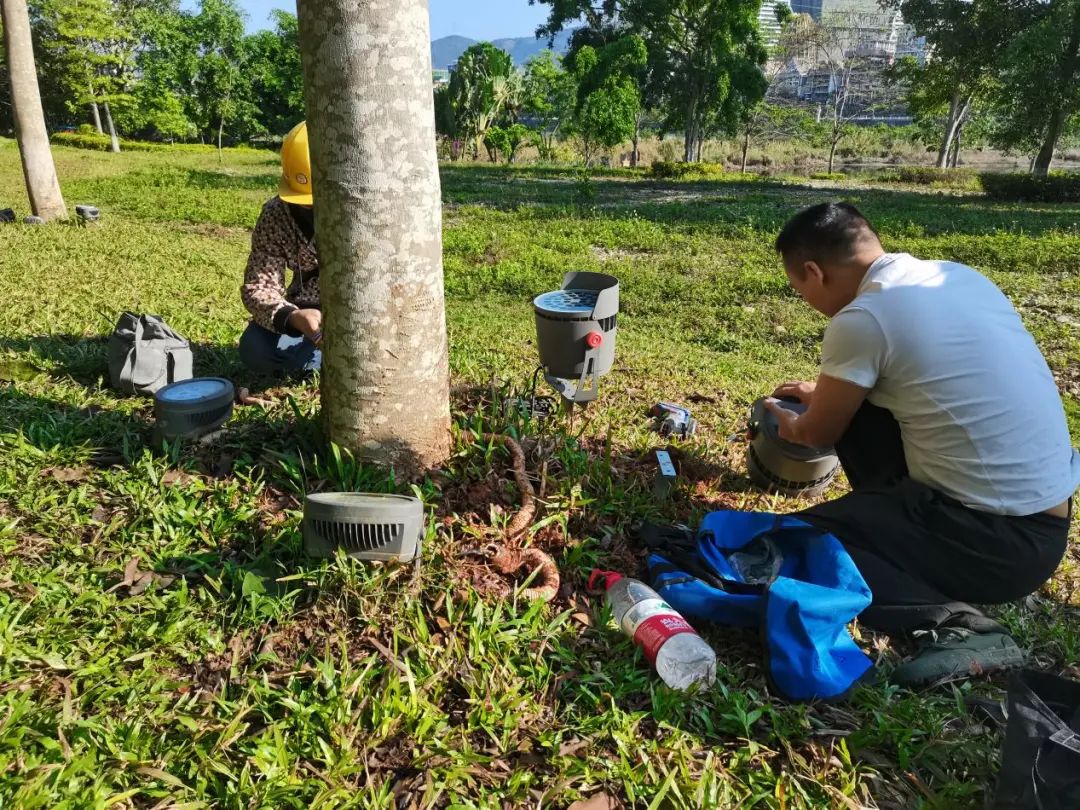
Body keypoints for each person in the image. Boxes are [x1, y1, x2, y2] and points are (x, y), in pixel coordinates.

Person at [767, 202, 1078, 686]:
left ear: (813, 271)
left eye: (798, 287)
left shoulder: (863, 318)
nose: (804, 298)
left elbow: (817, 434)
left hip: (995, 546)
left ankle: (959, 625)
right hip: (1046, 523)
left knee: (793, 543)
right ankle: (892, 518)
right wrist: (824, 393)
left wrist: (790, 427)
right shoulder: (956, 277)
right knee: (865, 406)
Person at [239, 121, 323, 375]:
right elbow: (259, 286)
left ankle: (316, 364)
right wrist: (293, 317)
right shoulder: (277, 214)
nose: (310, 208)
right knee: (255, 349)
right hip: (307, 312)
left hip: (365, 313)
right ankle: (316, 363)